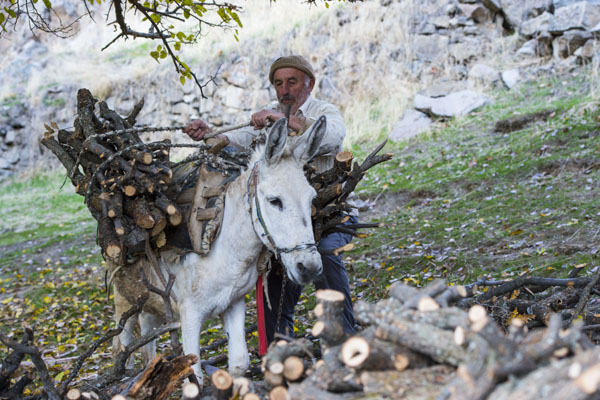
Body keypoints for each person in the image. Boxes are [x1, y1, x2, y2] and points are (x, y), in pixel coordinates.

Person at [184, 55, 356, 344]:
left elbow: (333, 136)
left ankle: (345, 339)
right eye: (278, 83)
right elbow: (235, 139)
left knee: (325, 253)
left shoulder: (323, 110)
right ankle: (279, 348)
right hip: (283, 219)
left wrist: (282, 121)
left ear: (309, 84)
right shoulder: (268, 117)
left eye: (292, 81)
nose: (284, 89)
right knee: (273, 270)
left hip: (327, 215)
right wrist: (209, 134)